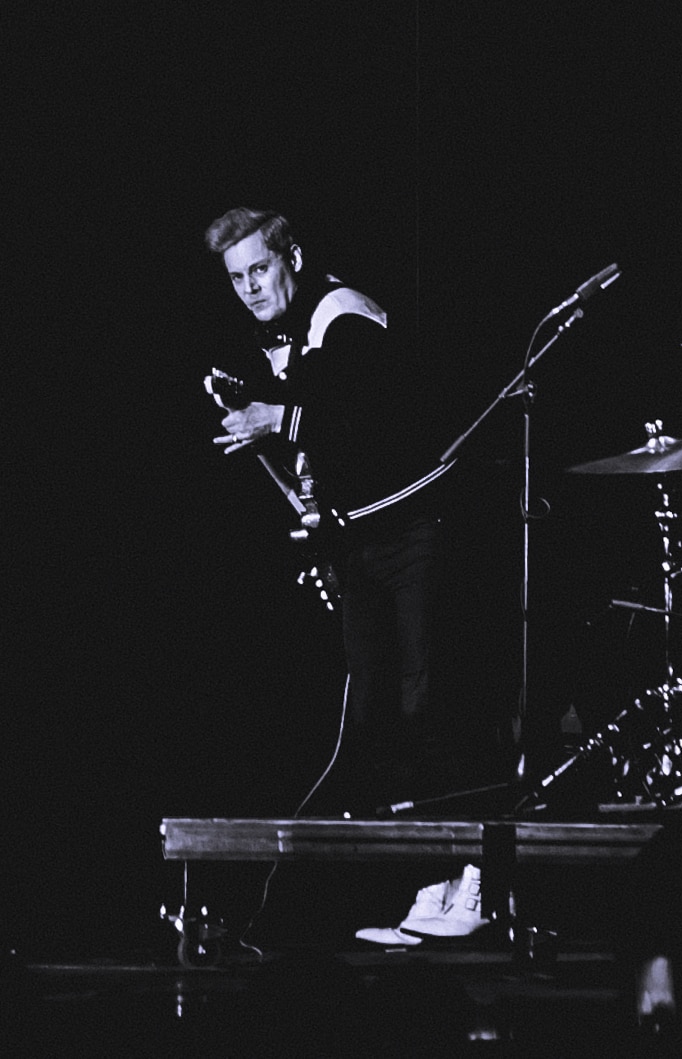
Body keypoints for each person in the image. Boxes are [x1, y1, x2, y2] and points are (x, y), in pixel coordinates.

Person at [203, 205, 466, 814]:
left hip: (408, 535)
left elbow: (366, 419)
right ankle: (398, 873)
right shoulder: (281, 331)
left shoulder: (339, 312)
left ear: (292, 259)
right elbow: (314, 420)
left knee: (423, 702)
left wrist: (275, 417)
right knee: (370, 709)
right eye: (237, 279)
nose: (249, 289)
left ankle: (462, 860)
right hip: (354, 544)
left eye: (260, 270)